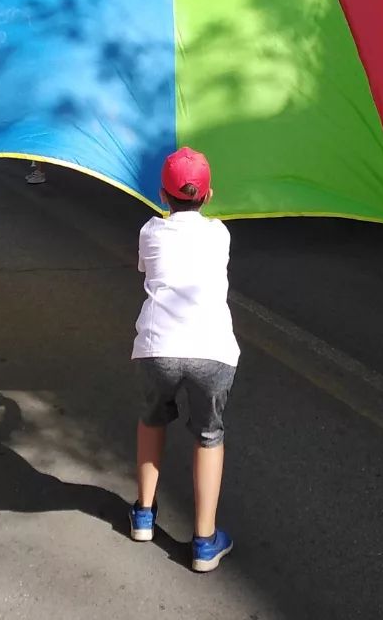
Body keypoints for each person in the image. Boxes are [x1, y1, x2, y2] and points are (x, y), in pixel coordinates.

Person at [129, 147, 238, 572]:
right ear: (209, 195)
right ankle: (205, 541)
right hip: (212, 348)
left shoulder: (150, 231)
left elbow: (146, 270)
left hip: (158, 346)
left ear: (162, 194)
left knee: (153, 420)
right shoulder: (221, 233)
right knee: (209, 435)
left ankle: (143, 513)